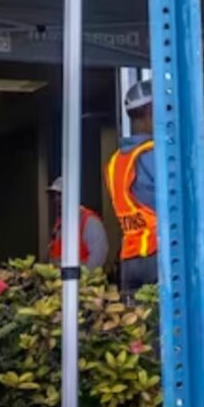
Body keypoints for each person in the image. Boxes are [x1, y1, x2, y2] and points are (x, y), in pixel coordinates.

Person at [105, 83, 159, 294]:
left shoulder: (115, 161)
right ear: (149, 111)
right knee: (165, 325)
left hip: (129, 262)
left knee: (133, 320)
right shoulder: (153, 155)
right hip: (158, 258)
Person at [45, 176, 109, 272]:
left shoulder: (90, 222)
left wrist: (78, 277)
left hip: (83, 283)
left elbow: (98, 257)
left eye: (60, 195)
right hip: (60, 283)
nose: (56, 199)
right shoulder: (59, 224)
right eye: (54, 195)